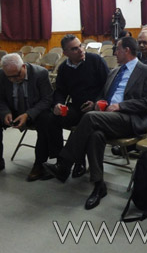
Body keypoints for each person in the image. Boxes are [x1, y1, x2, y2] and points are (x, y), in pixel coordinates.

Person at [43, 37, 147, 210]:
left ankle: (64, 164)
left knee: (89, 118)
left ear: (126, 50)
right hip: (109, 117)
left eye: (117, 50)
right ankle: (99, 185)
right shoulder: (114, 72)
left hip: (130, 119)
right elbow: (103, 95)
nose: (114, 53)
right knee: (95, 135)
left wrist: (121, 106)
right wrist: (96, 102)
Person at [36, 35, 109, 181]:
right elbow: (60, 91)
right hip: (77, 107)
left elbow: (107, 86)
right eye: (75, 49)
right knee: (51, 118)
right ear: (65, 53)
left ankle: (72, 163)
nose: (80, 50)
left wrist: (95, 102)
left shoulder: (96, 61)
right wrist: (58, 104)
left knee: (84, 122)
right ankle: (60, 160)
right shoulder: (64, 68)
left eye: (80, 46)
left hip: (97, 109)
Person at [0, 53, 53, 180]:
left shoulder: (40, 73)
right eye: (10, 77)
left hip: (35, 111)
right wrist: (5, 113)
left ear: (23, 67)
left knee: (46, 119)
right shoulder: (0, 75)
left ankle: (40, 164)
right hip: (14, 110)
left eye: (17, 75)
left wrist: (28, 115)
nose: (14, 79)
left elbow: (47, 100)